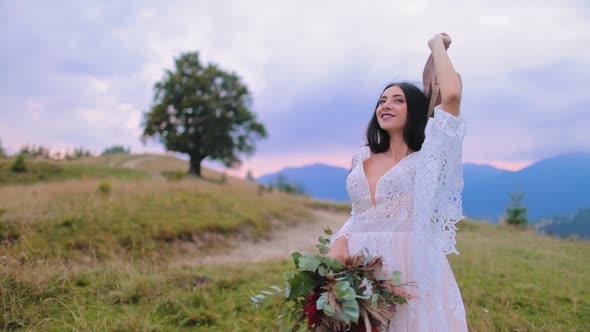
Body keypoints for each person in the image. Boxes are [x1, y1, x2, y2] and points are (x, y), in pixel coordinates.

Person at [327, 32, 468, 331]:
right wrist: (339, 242)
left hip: (409, 265)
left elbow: (451, 95)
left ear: (415, 110)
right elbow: (360, 215)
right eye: (381, 101)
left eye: (398, 100)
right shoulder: (362, 158)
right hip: (362, 266)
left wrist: (436, 47)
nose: (385, 105)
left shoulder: (429, 158)